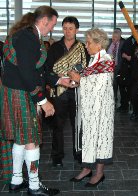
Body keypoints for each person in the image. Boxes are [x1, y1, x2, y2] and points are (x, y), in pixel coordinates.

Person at [0, 7, 71, 196]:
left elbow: (37, 70)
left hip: (17, 92)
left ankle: (16, 180)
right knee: (31, 140)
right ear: (44, 21)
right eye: (53, 24)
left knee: (21, 139)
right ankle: (33, 185)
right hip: (22, 93)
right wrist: (42, 100)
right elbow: (27, 72)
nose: (53, 29)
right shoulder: (27, 37)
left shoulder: (28, 35)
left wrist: (58, 80)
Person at [68, 28, 114, 187]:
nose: (86, 45)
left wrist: (80, 79)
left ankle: (99, 173)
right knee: (89, 138)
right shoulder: (94, 59)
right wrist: (79, 79)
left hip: (101, 111)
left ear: (99, 43)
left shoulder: (105, 61)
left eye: (88, 42)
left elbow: (99, 87)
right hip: (91, 109)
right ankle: (87, 168)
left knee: (100, 140)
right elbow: (91, 80)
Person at [46, 16, 89, 167]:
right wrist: (58, 77)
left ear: (76, 30)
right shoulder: (55, 47)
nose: (67, 31)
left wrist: (79, 78)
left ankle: (79, 153)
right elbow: (47, 69)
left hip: (77, 90)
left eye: (71, 28)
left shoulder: (84, 47)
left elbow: (88, 68)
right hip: (60, 90)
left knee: (77, 124)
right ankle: (57, 155)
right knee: (58, 124)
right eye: (65, 28)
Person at [116, 25, 138, 113]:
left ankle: (134, 109)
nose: (134, 33)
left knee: (132, 89)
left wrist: (131, 57)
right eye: (133, 31)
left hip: (135, 69)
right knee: (122, 86)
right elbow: (122, 51)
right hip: (125, 68)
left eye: (136, 31)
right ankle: (124, 105)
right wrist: (125, 56)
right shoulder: (128, 40)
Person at [107, 28, 125, 104]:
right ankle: (111, 96)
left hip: (118, 66)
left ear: (119, 37)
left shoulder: (123, 43)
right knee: (110, 82)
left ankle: (116, 97)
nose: (113, 38)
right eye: (113, 36)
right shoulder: (109, 42)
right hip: (109, 66)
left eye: (115, 37)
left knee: (116, 82)